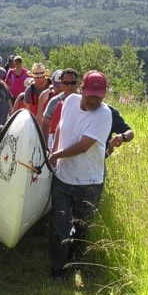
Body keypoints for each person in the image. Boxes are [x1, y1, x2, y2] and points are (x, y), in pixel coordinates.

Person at [47, 70, 112, 282]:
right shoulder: (70, 101)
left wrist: (57, 154)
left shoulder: (104, 114)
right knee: (60, 226)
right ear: (82, 89)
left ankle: (76, 265)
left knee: (83, 228)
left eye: (99, 95)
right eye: (91, 93)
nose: (94, 98)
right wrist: (54, 156)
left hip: (89, 182)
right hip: (63, 178)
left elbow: (84, 146)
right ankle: (58, 271)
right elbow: (59, 128)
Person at [41, 68, 79, 149]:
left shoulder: (84, 101)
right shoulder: (54, 101)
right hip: (57, 145)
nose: (70, 86)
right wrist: (45, 148)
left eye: (73, 83)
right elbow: (45, 125)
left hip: (78, 146)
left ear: (77, 83)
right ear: (61, 84)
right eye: (66, 83)